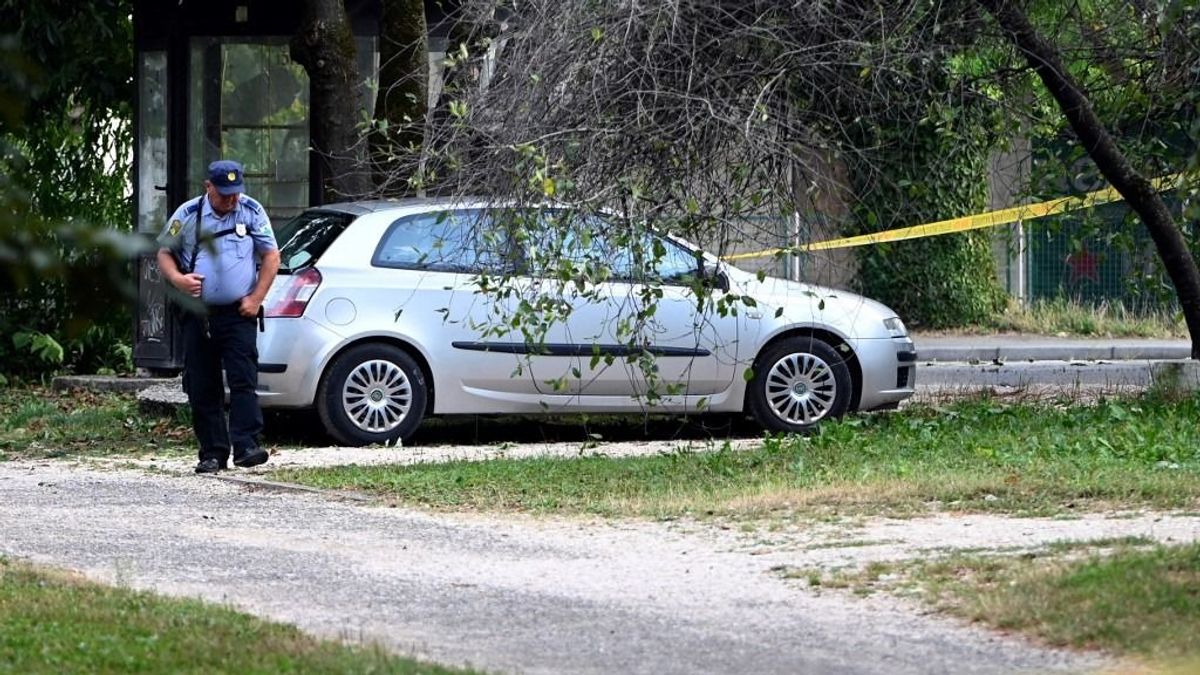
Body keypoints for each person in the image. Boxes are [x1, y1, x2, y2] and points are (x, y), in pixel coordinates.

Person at [157, 160, 280, 474]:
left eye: (235, 192)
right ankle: (212, 453)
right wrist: (178, 280)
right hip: (198, 314)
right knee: (202, 384)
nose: (231, 199)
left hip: (239, 312)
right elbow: (164, 253)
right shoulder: (187, 215)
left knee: (243, 379)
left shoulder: (251, 211)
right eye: (224, 193)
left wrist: (256, 299)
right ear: (208, 186)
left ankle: (247, 445)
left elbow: (271, 256)